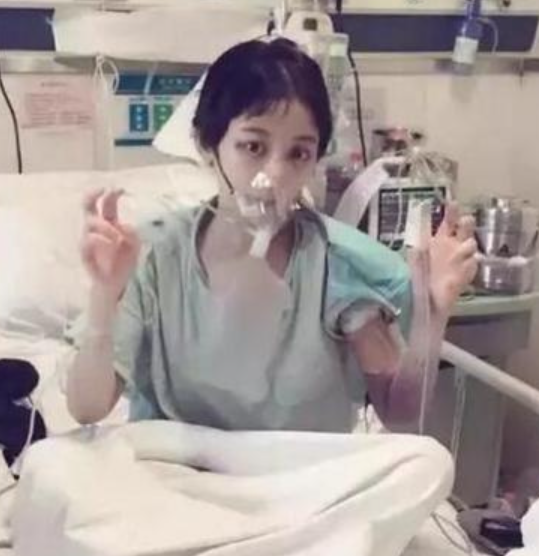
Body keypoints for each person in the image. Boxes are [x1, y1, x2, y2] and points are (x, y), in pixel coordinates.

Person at [66, 38, 477, 432]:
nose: (275, 175)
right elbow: (87, 408)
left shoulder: (337, 266)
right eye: (253, 147)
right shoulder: (156, 257)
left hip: (297, 474)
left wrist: (431, 314)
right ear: (207, 145)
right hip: (178, 473)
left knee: (428, 462)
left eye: (298, 153)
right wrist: (105, 297)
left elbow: (400, 414)